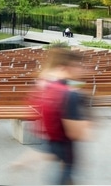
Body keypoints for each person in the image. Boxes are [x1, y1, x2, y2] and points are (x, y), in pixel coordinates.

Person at [35, 46, 91, 185]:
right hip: (61, 130)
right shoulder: (59, 82)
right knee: (65, 167)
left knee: (62, 166)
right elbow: (76, 133)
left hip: (49, 128)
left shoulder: (46, 77)